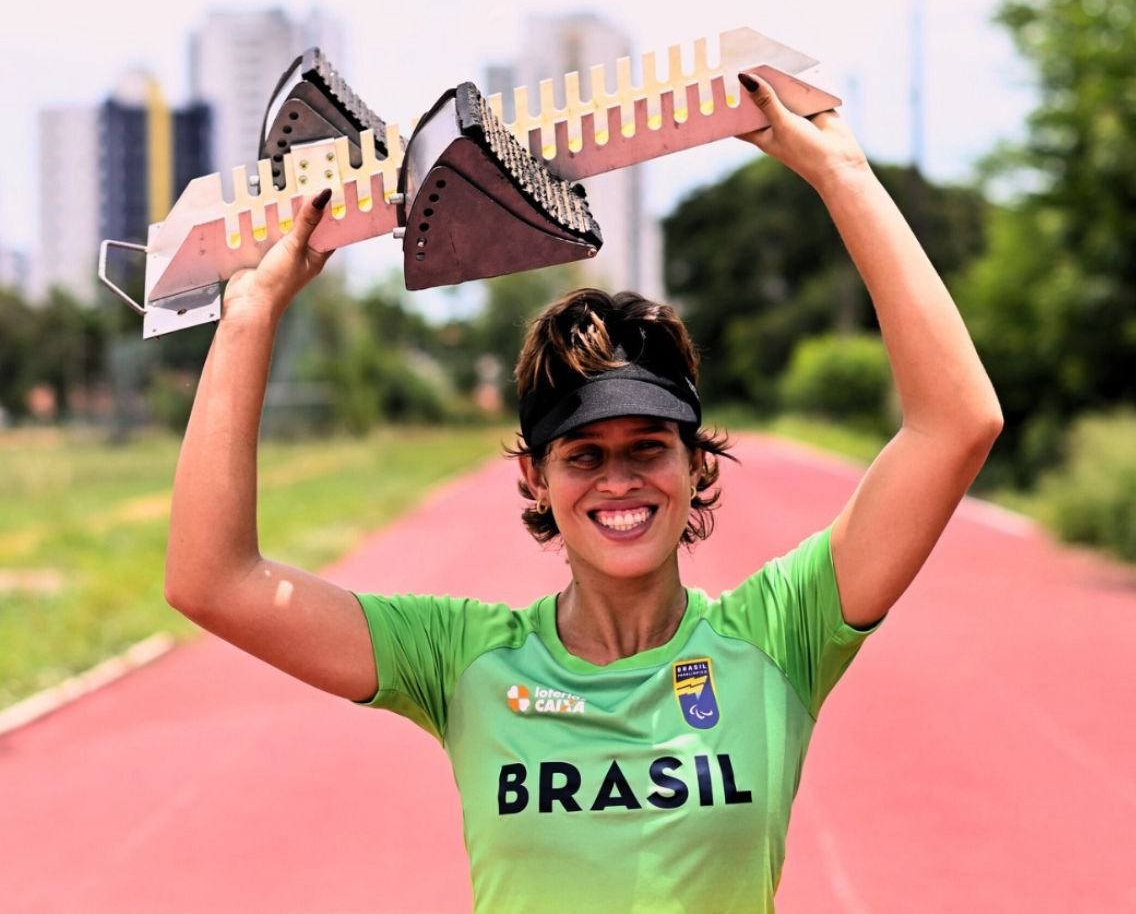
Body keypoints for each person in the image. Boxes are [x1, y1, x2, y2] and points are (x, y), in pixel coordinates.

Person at [165, 72, 1002, 912]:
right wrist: (249, 318)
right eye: (583, 455)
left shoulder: (780, 633)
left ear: (694, 463)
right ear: (534, 474)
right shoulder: (462, 659)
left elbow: (954, 425)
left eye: (648, 448)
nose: (620, 481)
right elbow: (213, 581)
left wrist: (843, 176)